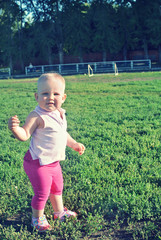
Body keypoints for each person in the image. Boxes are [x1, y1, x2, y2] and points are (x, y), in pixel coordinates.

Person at [8, 73, 85, 232]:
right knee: (42, 193)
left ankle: (59, 212)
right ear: (37, 97)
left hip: (54, 162)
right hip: (38, 163)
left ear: (63, 97)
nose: (50, 97)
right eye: (45, 93)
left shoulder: (60, 113)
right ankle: (37, 219)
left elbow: (63, 134)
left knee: (57, 189)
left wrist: (74, 144)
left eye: (55, 94)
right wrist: (16, 129)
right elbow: (25, 135)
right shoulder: (37, 116)